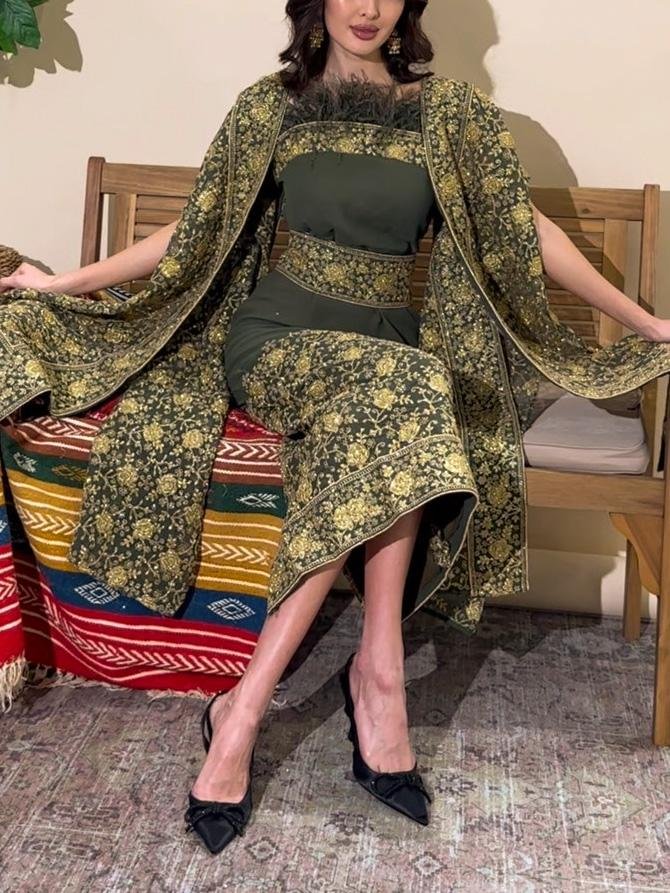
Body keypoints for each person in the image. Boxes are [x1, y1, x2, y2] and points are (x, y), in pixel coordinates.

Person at [3, 0, 670, 856]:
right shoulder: (273, 106)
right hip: (276, 342)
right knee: (412, 390)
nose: (367, 7)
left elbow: (522, 230)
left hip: (387, 359)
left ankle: (296, 692)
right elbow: (195, 231)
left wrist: (646, 324)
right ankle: (331, 689)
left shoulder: (447, 114)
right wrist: (65, 285)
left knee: (405, 394)